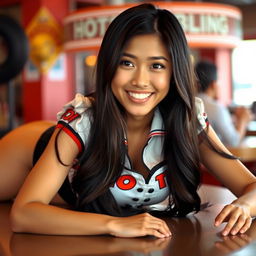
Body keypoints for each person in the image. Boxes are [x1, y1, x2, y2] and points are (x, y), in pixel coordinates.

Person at [1, 3, 256, 238]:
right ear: (109, 65)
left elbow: (250, 186)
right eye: (126, 63)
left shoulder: (188, 121)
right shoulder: (83, 120)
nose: (140, 81)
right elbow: (23, 215)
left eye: (156, 66)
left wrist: (244, 205)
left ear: (174, 71)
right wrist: (114, 224)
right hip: (26, 152)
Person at [195, 60, 252, 147]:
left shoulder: (190, 102)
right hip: (210, 159)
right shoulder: (216, 108)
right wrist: (242, 119)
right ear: (213, 84)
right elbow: (233, 141)